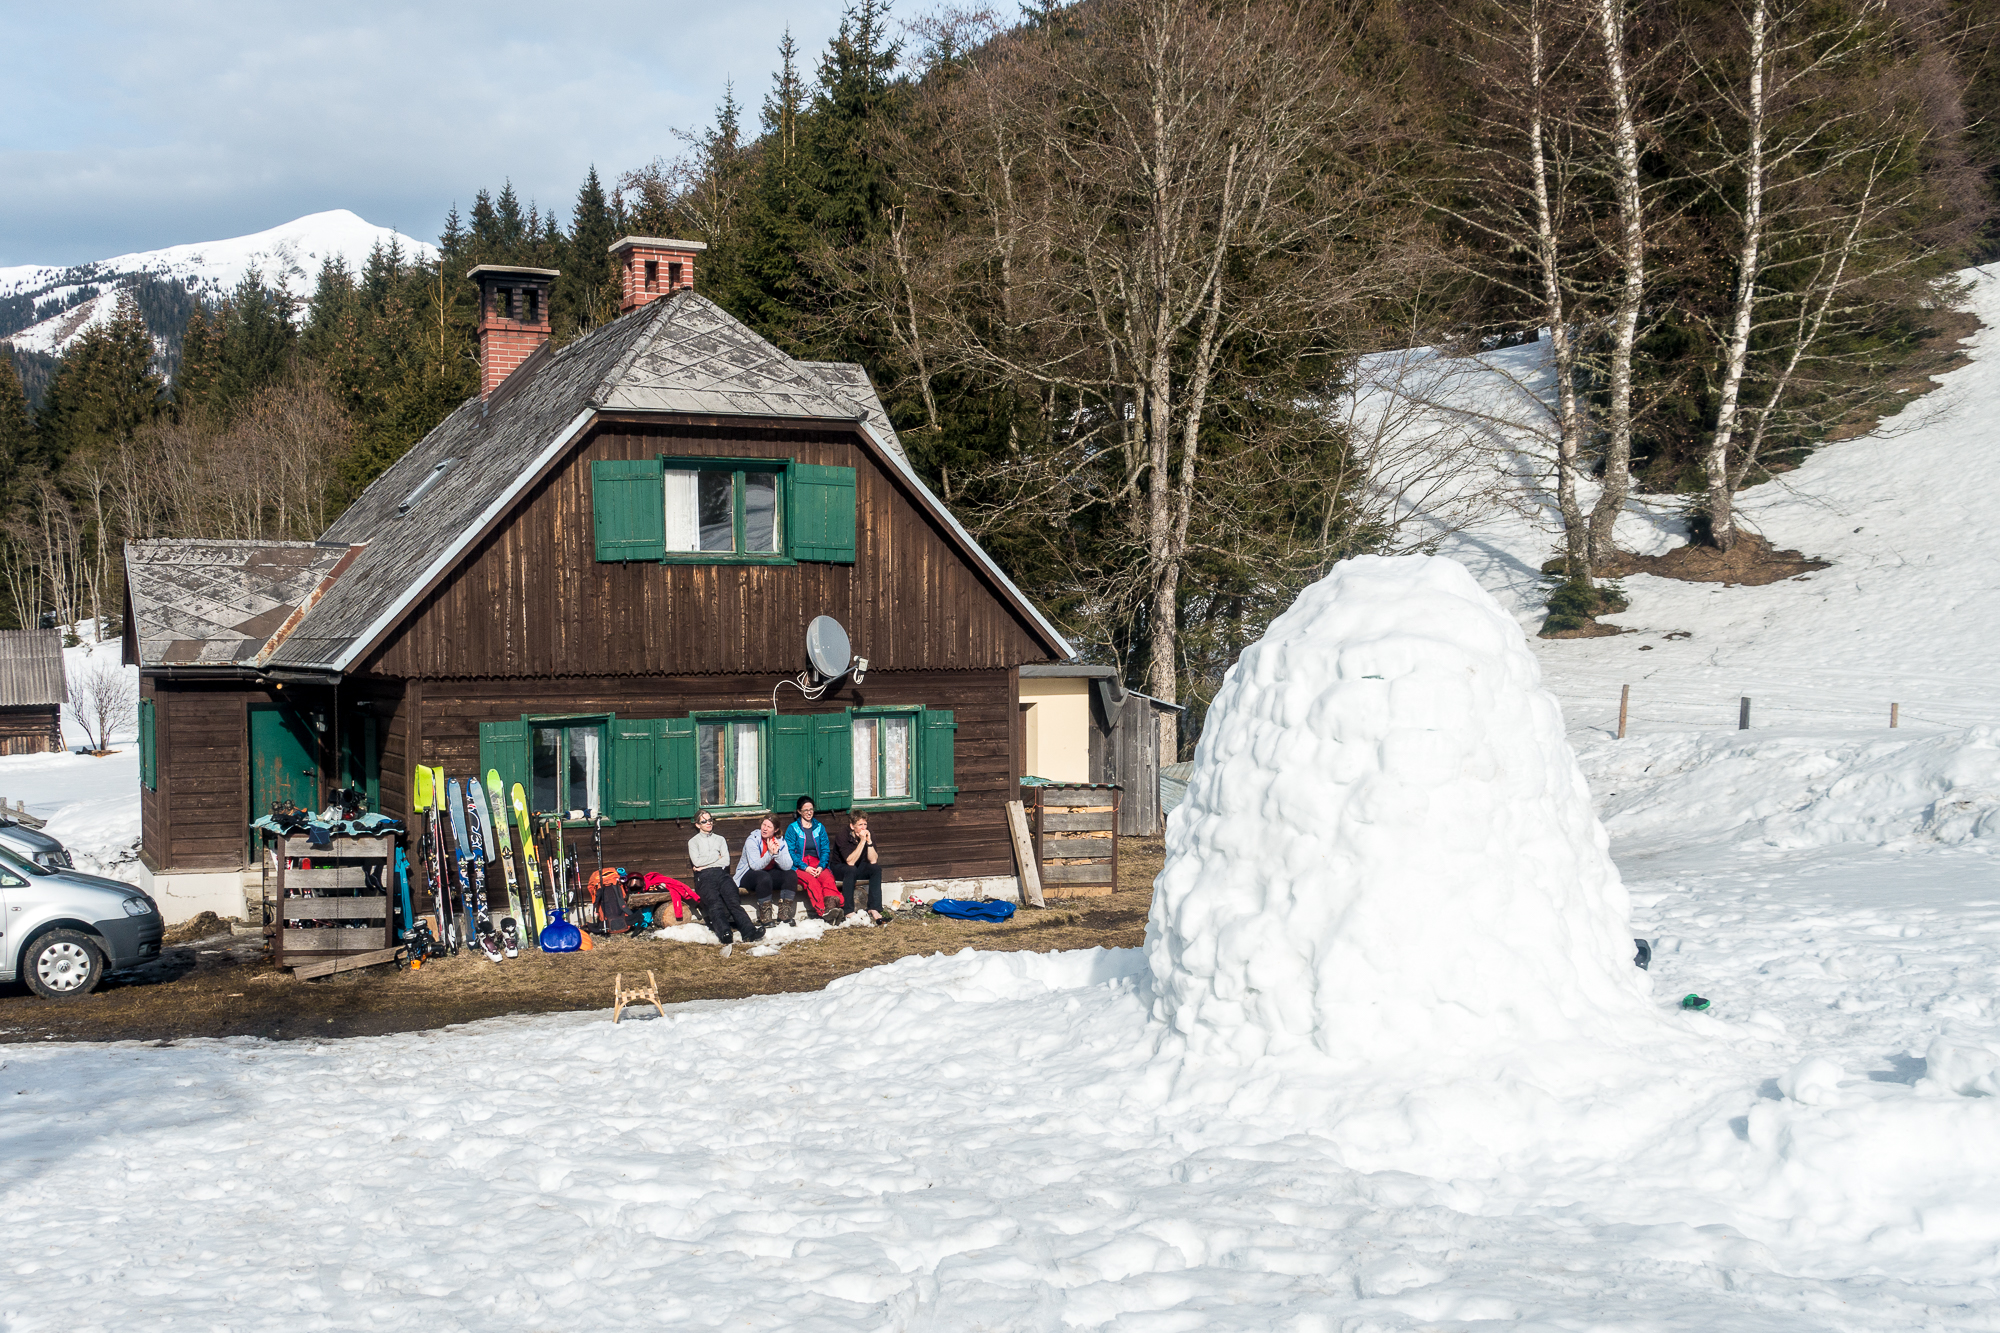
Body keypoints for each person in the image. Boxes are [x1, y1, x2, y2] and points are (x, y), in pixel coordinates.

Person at [689, 810, 762, 946]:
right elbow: (696, 861)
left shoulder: (720, 839)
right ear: (698, 825)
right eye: (704, 821)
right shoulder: (693, 842)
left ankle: (749, 931)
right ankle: (725, 933)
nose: (708, 823)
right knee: (714, 903)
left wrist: (704, 864)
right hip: (704, 877)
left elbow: (726, 861)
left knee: (733, 901)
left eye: (710, 820)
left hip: (721, 874)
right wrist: (716, 858)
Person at [783, 797, 841, 922]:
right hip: (799, 865)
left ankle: (832, 908)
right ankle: (822, 911)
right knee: (812, 882)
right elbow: (790, 852)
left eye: (811, 809)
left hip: (817, 862)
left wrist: (821, 866)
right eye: (805, 810)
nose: (809, 813)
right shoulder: (792, 828)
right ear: (799, 811)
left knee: (828, 878)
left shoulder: (819, 827)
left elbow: (825, 849)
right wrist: (805, 867)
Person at [734, 814, 795, 926]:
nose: (765, 828)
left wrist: (777, 853)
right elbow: (755, 866)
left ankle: (784, 914)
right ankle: (766, 916)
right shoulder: (752, 839)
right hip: (748, 875)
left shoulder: (779, 840)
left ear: (776, 830)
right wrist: (770, 853)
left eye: (769, 827)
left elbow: (788, 865)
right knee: (763, 876)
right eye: (763, 825)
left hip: (767, 873)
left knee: (791, 874)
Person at [832, 812, 886, 924]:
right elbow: (850, 861)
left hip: (857, 867)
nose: (863, 828)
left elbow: (873, 860)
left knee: (875, 869)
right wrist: (862, 842)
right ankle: (848, 911)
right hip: (840, 868)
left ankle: (874, 907)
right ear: (852, 826)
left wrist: (869, 842)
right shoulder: (843, 835)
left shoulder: (869, 833)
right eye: (860, 824)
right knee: (851, 870)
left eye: (865, 824)